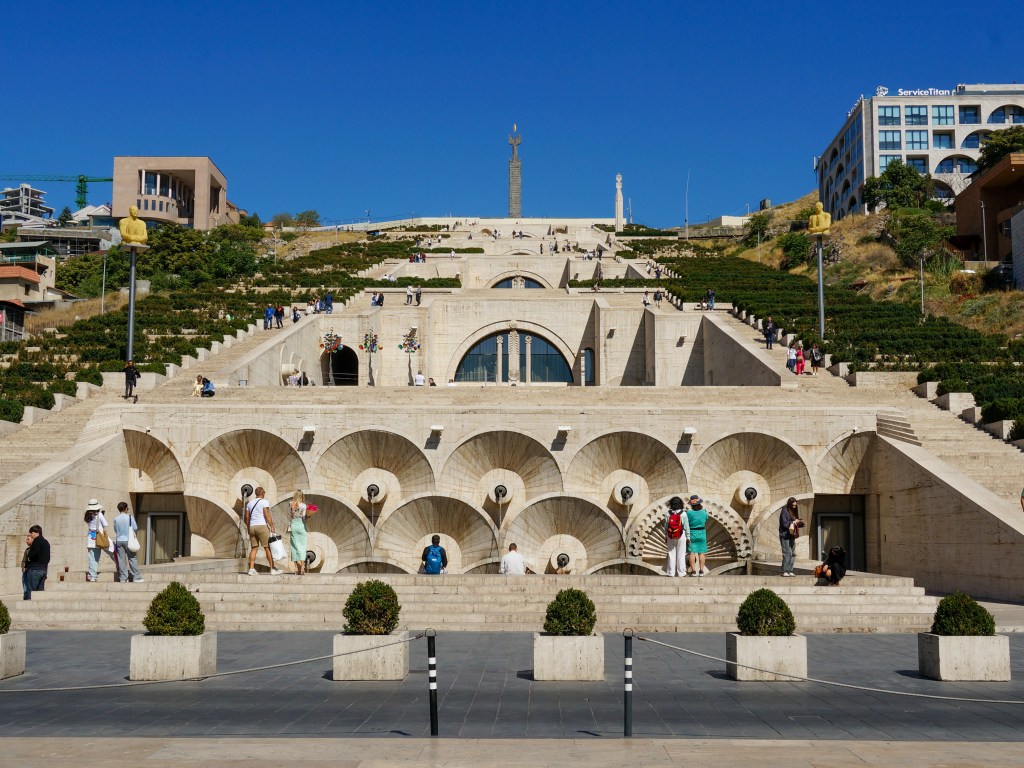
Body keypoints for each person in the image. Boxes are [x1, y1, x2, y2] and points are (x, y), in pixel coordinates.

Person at [245, 486, 282, 575]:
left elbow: (247, 517)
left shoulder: (249, 503)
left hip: (252, 527)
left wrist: (248, 527)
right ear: (262, 493)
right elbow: (267, 514)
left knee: (254, 548)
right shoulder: (264, 502)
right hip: (261, 526)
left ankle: (251, 568)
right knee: (267, 548)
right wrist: (272, 525)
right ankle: (272, 569)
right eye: (264, 492)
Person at [288, 490, 318, 575]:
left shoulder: (290, 503)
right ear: (301, 496)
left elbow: (291, 515)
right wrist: (309, 515)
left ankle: (295, 568)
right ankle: (302, 567)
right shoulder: (303, 505)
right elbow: (304, 518)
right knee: (302, 546)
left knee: (294, 546)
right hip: (301, 526)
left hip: (293, 525)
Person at [113, 502, 144, 583]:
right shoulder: (130, 517)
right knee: (132, 558)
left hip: (119, 540)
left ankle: (123, 578)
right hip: (128, 540)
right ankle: (137, 577)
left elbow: (115, 530)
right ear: (126, 508)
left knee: (121, 560)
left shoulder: (116, 518)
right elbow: (135, 527)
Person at [663, 496, 690, 577]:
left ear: (671, 504)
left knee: (671, 553)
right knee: (681, 554)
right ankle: (681, 573)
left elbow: (666, 526)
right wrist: (688, 537)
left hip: (670, 535)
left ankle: (671, 573)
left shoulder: (668, 513)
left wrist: (666, 536)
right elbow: (686, 526)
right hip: (681, 535)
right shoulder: (683, 513)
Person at [84, 499, 110, 582]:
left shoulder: (87, 515)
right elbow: (106, 524)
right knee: (96, 557)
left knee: (91, 557)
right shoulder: (99, 514)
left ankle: (92, 575)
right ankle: (93, 575)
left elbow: (90, 524)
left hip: (91, 536)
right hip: (99, 536)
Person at [23, 524, 50, 599]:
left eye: (31, 533)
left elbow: (33, 554)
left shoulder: (37, 541)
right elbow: (48, 558)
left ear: (37, 532)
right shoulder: (46, 542)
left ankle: (28, 609)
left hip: (34, 569)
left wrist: (30, 557)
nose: (31, 535)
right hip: (44, 569)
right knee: (40, 594)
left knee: (31, 593)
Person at [778, 497, 803, 576]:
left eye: (795, 506)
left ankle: (790, 570)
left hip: (792, 535)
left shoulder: (793, 512)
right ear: (789, 504)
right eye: (793, 505)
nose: (794, 507)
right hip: (785, 535)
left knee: (793, 553)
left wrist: (800, 523)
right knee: (787, 553)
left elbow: (794, 524)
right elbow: (784, 523)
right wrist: (793, 522)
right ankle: (785, 570)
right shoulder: (784, 510)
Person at [686, 495, 710, 576]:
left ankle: (693, 571)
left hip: (692, 532)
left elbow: (686, 522)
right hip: (702, 532)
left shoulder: (689, 513)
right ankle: (701, 571)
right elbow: (706, 519)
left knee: (692, 552)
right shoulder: (704, 512)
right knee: (701, 552)